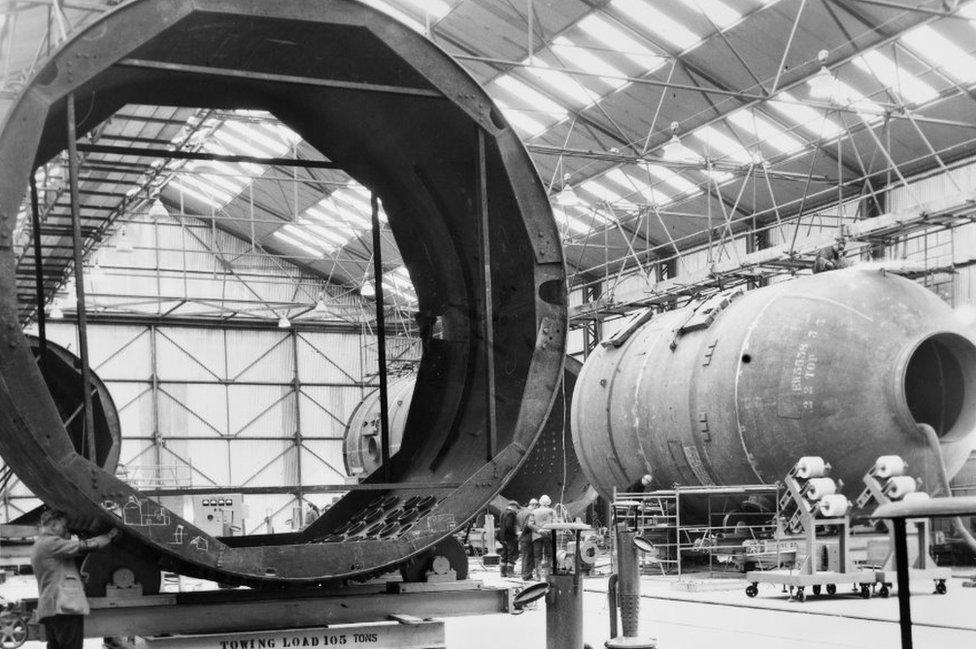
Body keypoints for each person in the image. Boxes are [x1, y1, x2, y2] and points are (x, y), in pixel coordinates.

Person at [31, 510, 120, 649]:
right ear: (54, 525)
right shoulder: (51, 542)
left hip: (51, 608)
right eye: (64, 527)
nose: (67, 531)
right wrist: (108, 536)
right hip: (63, 608)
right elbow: (84, 546)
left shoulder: (39, 544)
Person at [532, 495, 557, 581]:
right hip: (548, 536)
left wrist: (539, 530)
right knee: (548, 556)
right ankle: (547, 576)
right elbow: (555, 523)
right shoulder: (552, 511)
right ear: (549, 502)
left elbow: (530, 524)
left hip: (537, 536)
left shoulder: (534, 512)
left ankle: (538, 576)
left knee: (537, 557)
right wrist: (548, 530)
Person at [516, 498, 538, 581]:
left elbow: (518, 524)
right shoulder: (530, 513)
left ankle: (525, 573)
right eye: (537, 505)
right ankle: (526, 575)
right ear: (533, 505)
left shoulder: (520, 513)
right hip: (528, 537)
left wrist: (519, 533)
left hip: (522, 538)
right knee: (528, 557)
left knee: (525, 556)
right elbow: (528, 525)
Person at [498, 500, 520, 578]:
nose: (517, 510)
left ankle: (503, 572)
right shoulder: (511, 514)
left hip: (503, 537)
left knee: (504, 554)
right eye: (517, 509)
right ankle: (510, 572)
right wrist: (515, 533)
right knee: (511, 554)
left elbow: (502, 525)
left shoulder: (503, 512)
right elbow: (509, 526)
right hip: (510, 537)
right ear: (514, 506)